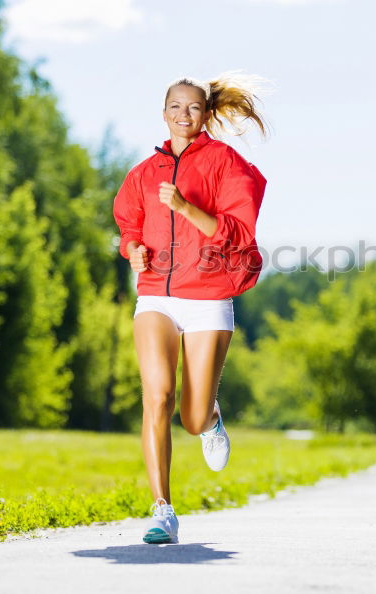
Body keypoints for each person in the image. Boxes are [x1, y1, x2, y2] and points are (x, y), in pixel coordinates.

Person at [112, 73, 268, 544]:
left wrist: (185, 207)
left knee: (191, 416)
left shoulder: (226, 164)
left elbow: (238, 232)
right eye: (175, 108)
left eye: (193, 108)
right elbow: (129, 227)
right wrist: (132, 250)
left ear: (206, 116)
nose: (184, 115)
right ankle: (162, 511)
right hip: (156, 293)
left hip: (208, 295)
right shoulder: (143, 173)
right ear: (164, 115)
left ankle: (211, 419)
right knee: (157, 396)